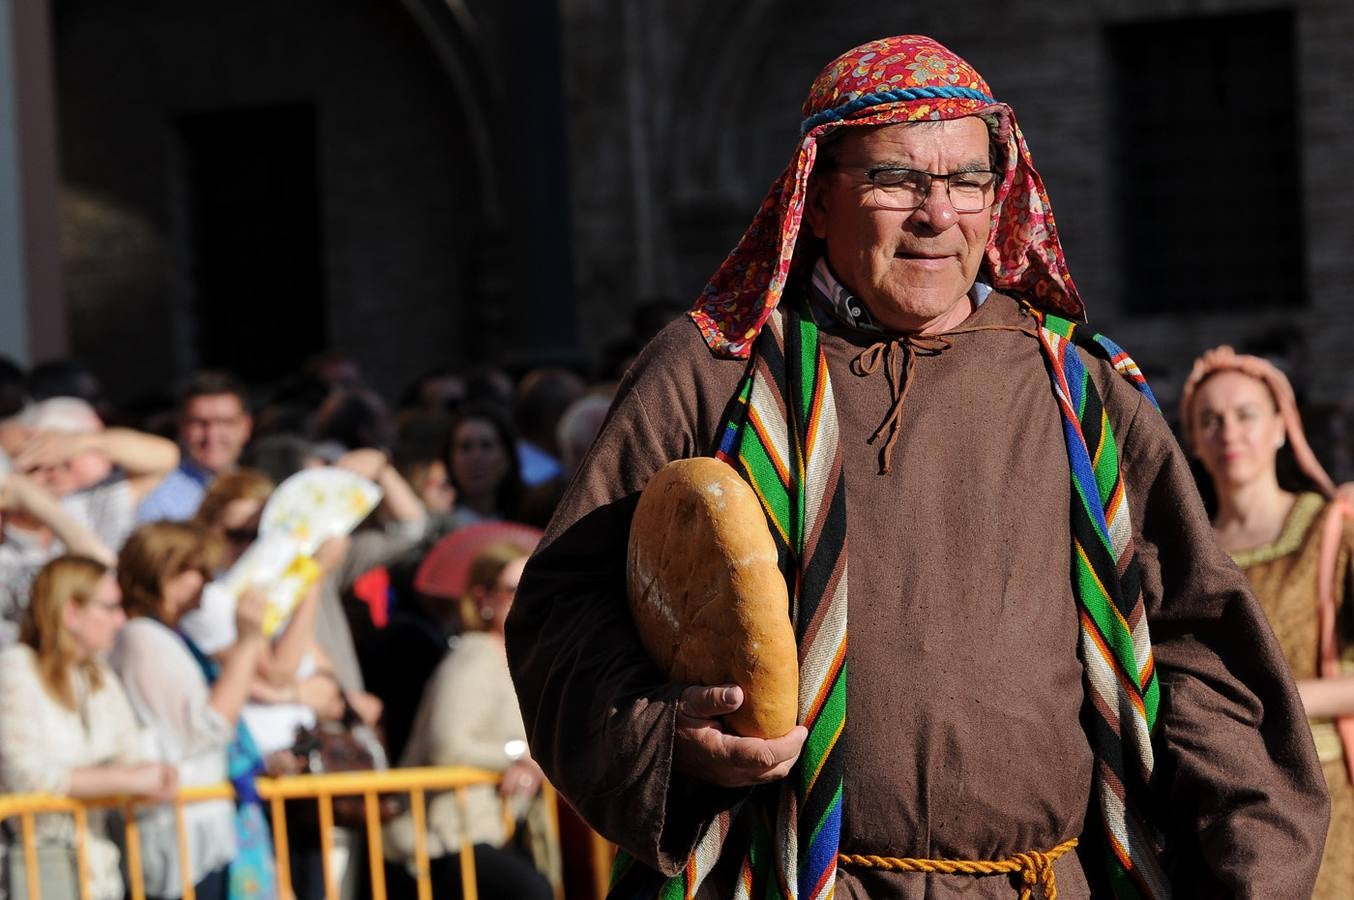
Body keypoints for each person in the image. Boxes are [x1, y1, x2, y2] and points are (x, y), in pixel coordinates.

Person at [505, 34, 1329, 898]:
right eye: (896, 179)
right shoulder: (716, 374)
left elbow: (1199, 650)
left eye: (968, 179)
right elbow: (564, 613)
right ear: (816, 199)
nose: (939, 214)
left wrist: (1255, 876)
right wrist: (666, 735)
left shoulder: (1078, 393)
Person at [1180, 345, 1354, 896]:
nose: (1229, 431)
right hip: (1220, 806)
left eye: (1246, 414)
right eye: (1211, 419)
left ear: (1281, 426)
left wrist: (1269, 698)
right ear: (1193, 441)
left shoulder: (1335, 529)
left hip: (1327, 798)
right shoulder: (1188, 556)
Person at [384, 542, 555, 900]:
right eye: (514, 590)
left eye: (536, 587)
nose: (527, 599)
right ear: (483, 599)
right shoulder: (474, 656)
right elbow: (448, 746)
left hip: (487, 830)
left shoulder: (520, 661)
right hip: (441, 838)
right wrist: (519, 755)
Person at [110, 522, 272, 900]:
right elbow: (206, 728)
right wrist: (249, 640)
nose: (205, 582)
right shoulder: (142, 638)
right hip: (178, 837)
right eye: (194, 571)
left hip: (198, 830)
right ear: (162, 573)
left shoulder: (166, 636)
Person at [0, 556, 177, 900]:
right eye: (110, 608)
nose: (120, 619)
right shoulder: (16, 668)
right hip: (36, 874)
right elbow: (26, 775)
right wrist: (124, 779)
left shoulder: (97, 676)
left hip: (101, 874)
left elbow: (134, 754)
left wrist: (136, 777)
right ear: (71, 613)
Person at [0, 467, 115, 644]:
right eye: (36, 470)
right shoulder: (6, 556)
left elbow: (106, 567)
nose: (52, 475)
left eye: (58, 466)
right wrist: (27, 496)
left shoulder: (66, 538)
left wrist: (43, 507)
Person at [137, 371, 253, 524]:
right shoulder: (155, 497)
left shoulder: (260, 491)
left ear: (246, 427)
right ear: (180, 425)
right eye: (199, 423)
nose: (211, 435)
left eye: (226, 422)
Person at [446, 405, 524, 523]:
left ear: (507, 458)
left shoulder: (533, 522)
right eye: (465, 447)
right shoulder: (432, 531)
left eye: (486, 446)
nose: (475, 458)